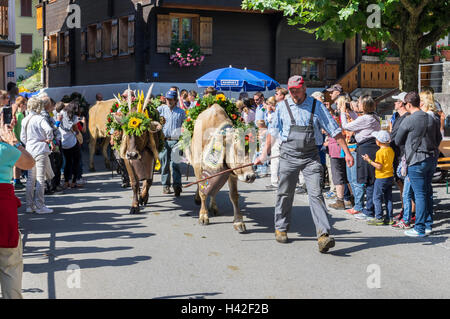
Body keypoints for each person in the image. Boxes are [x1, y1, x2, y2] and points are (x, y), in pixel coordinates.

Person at [254, 75, 354, 253]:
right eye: (291, 91)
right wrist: (263, 154)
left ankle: (323, 235)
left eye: (297, 91)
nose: (293, 94)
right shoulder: (282, 106)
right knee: (284, 193)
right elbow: (272, 132)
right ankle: (281, 227)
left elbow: (334, 129)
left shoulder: (317, 106)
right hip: (288, 156)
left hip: (311, 158)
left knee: (316, 194)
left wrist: (346, 153)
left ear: (304, 88)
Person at [395, 92, 442, 237]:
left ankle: (420, 228)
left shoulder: (409, 120)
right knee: (427, 193)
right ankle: (427, 224)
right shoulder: (431, 118)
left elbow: (397, 140)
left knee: (420, 194)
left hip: (416, 160)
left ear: (408, 104)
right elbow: (439, 137)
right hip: (431, 159)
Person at [0, 115, 35, 299]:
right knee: (10, 265)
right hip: (3, 213)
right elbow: (29, 162)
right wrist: (14, 141)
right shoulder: (5, 150)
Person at [340, 95, 381, 221]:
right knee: (369, 180)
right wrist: (351, 112)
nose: (357, 104)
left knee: (368, 180)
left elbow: (346, 126)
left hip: (366, 147)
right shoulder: (372, 116)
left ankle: (369, 210)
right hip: (369, 146)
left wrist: (342, 112)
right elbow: (358, 120)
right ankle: (369, 209)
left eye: (359, 103)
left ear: (364, 105)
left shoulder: (367, 118)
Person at [20, 97, 55, 214]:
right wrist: (48, 140)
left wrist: (29, 143)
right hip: (40, 150)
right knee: (40, 178)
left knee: (31, 179)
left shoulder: (25, 119)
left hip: (29, 150)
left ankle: (29, 206)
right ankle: (40, 205)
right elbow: (49, 130)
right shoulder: (40, 118)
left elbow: (22, 138)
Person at [362, 130, 395, 225]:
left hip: (381, 177)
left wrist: (368, 160)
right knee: (388, 197)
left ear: (378, 142)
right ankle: (389, 218)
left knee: (376, 197)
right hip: (389, 176)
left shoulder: (380, 152)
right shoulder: (390, 150)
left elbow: (379, 166)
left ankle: (379, 217)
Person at [157, 90, 186, 197]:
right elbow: (152, 118)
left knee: (175, 164)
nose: (168, 101)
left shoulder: (181, 112)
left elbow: (185, 125)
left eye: (171, 99)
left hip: (176, 141)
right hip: (163, 140)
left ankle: (177, 185)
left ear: (175, 100)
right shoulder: (160, 110)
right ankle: (165, 185)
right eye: (167, 99)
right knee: (164, 164)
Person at [389, 92, 410, 221]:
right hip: (396, 154)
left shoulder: (407, 117)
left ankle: (410, 212)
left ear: (402, 103)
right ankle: (404, 209)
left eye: (396, 101)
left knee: (406, 187)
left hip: (403, 154)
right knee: (399, 183)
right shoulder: (397, 116)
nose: (394, 103)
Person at [59, 101, 82, 189]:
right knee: (76, 162)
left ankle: (66, 181)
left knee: (67, 162)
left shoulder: (61, 113)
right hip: (72, 143)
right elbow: (76, 130)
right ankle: (73, 181)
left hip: (63, 142)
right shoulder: (75, 118)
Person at [12, 96, 28, 190]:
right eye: (25, 104)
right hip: (19, 141)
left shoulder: (17, 114)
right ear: (21, 105)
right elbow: (21, 131)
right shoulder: (20, 115)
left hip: (15, 141)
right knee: (18, 163)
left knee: (16, 163)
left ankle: (16, 180)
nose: (26, 106)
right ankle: (17, 181)